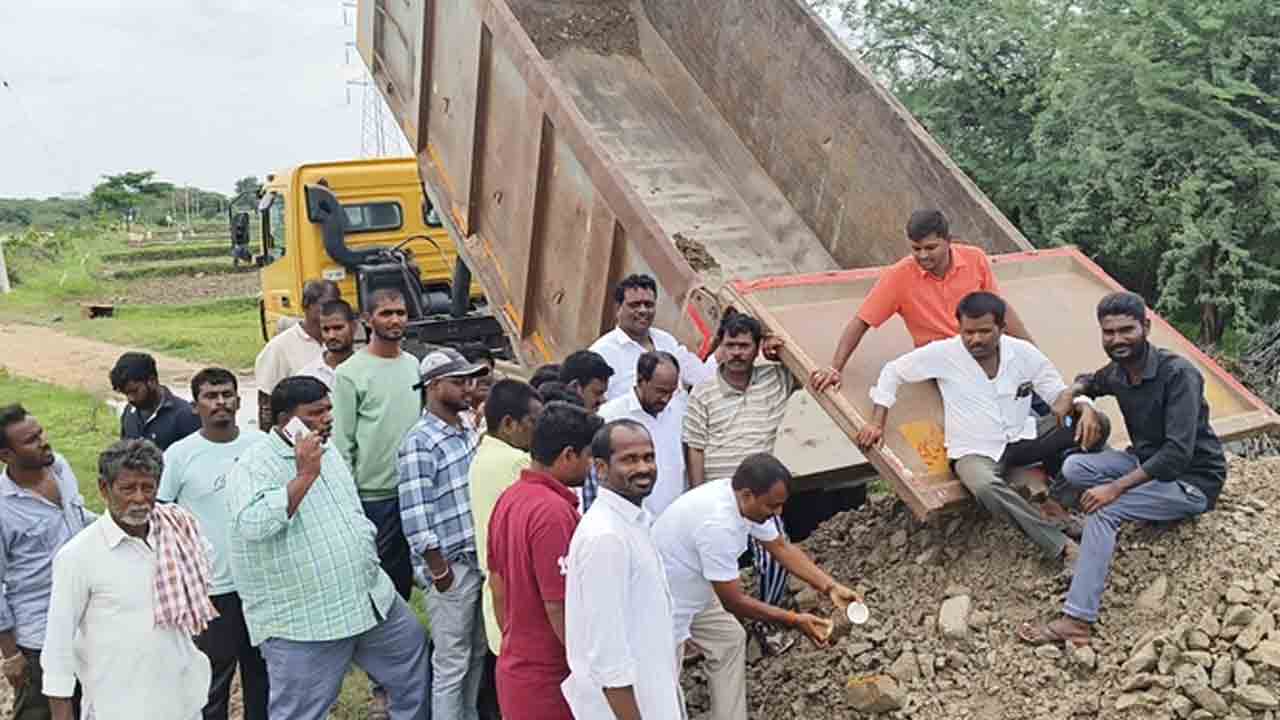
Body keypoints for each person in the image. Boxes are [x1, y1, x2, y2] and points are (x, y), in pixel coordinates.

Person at [1020, 292, 1227, 647]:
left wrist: (1115, 489)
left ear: (1146, 327)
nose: (1117, 340)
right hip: (1144, 461)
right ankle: (1094, 520)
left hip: (1191, 480)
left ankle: (1077, 620)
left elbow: (1176, 455)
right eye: (1109, 332)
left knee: (1104, 512)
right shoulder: (1119, 372)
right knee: (1075, 465)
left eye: (1126, 330)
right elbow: (1092, 380)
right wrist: (1074, 393)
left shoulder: (1179, 375)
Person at [226, 376, 430, 720]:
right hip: (305, 621)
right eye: (315, 413)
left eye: (328, 409)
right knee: (301, 711)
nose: (327, 418)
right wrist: (305, 475)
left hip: (368, 597)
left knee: (412, 659)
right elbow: (254, 524)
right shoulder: (253, 465)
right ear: (284, 420)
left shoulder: (328, 449)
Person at [858, 292, 1089, 565]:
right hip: (974, 450)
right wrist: (877, 420)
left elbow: (1056, 392)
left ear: (1001, 328)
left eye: (984, 332)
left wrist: (1083, 405)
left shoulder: (1024, 353)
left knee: (1093, 424)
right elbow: (893, 371)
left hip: (1024, 435)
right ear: (960, 328)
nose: (975, 339)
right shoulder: (944, 353)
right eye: (968, 332)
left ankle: (1059, 503)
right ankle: (1060, 545)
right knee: (984, 487)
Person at [652, 454, 857, 720]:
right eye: (773, 506)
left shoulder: (741, 499)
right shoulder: (718, 525)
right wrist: (794, 620)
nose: (778, 513)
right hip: (666, 603)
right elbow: (733, 602)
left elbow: (781, 547)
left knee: (728, 639)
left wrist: (830, 587)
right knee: (664, 688)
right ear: (748, 495)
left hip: (696, 587)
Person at [43, 439, 214, 720]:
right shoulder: (78, 556)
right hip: (118, 706)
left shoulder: (177, 533)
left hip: (181, 702)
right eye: (127, 489)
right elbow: (57, 650)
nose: (138, 498)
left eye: (147, 488)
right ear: (103, 489)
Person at [810, 209, 1033, 393]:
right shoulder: (898, 277)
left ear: (948, 242)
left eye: (930, 248)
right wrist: (835, 367)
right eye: (916, 249)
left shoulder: (975, 259)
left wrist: (1032, 351)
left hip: (982, 346)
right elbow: (861, 322)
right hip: (942, 358)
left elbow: (999, 309)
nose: (923, 256)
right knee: (988, 395)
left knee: (1028, 384)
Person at [159, 368, 268, 720]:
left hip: (260, 584)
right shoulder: (179, 455)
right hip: (211, 587)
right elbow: (161, 515)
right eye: (210, 396)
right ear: (195, 406)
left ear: (239, 400)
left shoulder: (259, 446)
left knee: (261, 674)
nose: (220, 403)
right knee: (212, 678)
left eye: (226, 395)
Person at [487, 403, 603, 720]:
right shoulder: (552, 512)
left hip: (517, 669)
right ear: (568, 455)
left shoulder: (509, 498)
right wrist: (588, 670)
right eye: (588, 455)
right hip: (551, 682)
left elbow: (496, 584)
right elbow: (559, 605)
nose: (591, 464)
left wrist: (517, 640)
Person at [562, 420, 684, 720]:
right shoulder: (606, 536)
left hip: (653, 699)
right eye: (629, 460)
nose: (643, 468)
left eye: (648, 457)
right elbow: (608, 654)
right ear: (601, 468)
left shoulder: (635, 523)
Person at [397, 348, 490, 720]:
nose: (469, 387)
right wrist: (439, 572)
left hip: (476, 560)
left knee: (478, 652)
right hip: (451, 568)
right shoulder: (420, 440)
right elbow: (416, 512)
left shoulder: (466, 426)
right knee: (452, 662)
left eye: (471, 379)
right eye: (459, 381)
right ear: (434, 387)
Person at [682, 312, 792, 608]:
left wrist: (779, 349)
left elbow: (807, 365)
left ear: (757, 347)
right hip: (720, 494)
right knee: (714, 565)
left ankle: (768, 619)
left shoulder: (776, 379)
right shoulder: (703, 393)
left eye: (744, 346)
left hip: (760, 494)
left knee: (776, 558)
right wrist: (697, 493)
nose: (736, 353)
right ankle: (717, 619)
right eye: (730, 345)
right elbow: (695, 447)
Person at [0, 405, 93, 720]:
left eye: (40, 433)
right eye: (30, 440)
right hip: (39, 634)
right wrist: (11, 654)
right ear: (6, 455)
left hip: (86, 619)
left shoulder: (60, 468)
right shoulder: (3, 509)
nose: (43, 442)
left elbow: (80, 521)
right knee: (41, 713)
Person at [332, 287, 422, 603]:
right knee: (379, 577)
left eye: (400, 312)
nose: (395, 319)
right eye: (386, 313)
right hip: (374, 496)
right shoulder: (348, 374)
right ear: (367, 320)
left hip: (414, 490)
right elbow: (341, 443)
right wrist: (347, 498)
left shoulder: (413, 365)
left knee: (411, 574)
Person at [467, 379, 544, 717]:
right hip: (516, 592)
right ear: (510, 424)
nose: (537, 432)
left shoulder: (484, 454)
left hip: (496, 587)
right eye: (533, 424)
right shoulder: (517, 464)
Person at [589, 273, 716, 402]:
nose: (643, 310)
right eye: (635, 305)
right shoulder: (602, 353)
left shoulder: (666, 341)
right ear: (618, 308)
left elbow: (701, 377)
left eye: (648, 304)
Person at [594, 351, 688, 516]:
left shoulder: (681, 410)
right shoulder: (610, 415)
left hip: (674, 518)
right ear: (641, 381)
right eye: (660, 391)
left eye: (671, 392)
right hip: (629, 517)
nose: (666, 399)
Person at [254, 279, 341, 429]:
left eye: (335, 306)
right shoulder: (279, 347)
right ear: (306, 306)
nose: (330, 312)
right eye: (324, 306)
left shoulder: (341, 343)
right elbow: (266, 404)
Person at [111, 351, 200, 450]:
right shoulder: (129, 412)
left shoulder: (185, 415)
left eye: (134, 391)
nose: (130, 399)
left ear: (152, 381)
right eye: (126, 394)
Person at [298, 299, 358, 390]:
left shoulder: (369, 370)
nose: (331, 336)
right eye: (326, 329)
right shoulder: (306, 376)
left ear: (354, 327)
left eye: (338, 328)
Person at [461, 345, 498, 433]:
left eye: (488, 371)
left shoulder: (501, 409)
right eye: (478, 372)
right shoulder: (454, 415)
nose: (485, 377)